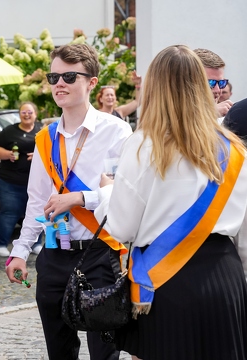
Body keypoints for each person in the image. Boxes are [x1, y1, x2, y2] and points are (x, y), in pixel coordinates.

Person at [95, 45, 247, 360]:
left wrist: (106, 193)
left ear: (155, 89)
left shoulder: (143, 144)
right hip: (225, 278)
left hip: (164, 281)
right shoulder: (235, 149)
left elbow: (121, 227)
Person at [5, 43, 132, 360]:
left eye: (69, 76)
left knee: (105, 351)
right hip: (53, 253)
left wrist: (79, 198)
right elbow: (36, 202)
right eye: (54, 76)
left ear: (92, 83)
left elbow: (126, 193)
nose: (59, 83)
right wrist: (19, 252)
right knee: (59, 350)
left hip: (99, 252)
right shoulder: (45, 138)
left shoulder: (116, 130)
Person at [0, 101, 43, 257]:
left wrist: (38, 156)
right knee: (8, 213)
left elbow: (51, 150)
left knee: (36, 212)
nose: (26, 115)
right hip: (10, 181)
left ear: (35, 114)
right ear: (19, 114)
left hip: (35, 181)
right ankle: (1, 244)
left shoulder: (42, 131)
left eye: (30, 112)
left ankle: (36, 244)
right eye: (23, 112)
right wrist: (7, 154)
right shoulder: (9, 131)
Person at [194, 48, 233, 117]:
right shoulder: (172, 113)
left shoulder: (224, 117)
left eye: (221, 83)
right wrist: (210, 114)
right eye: (210, 83)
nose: (218, 90)